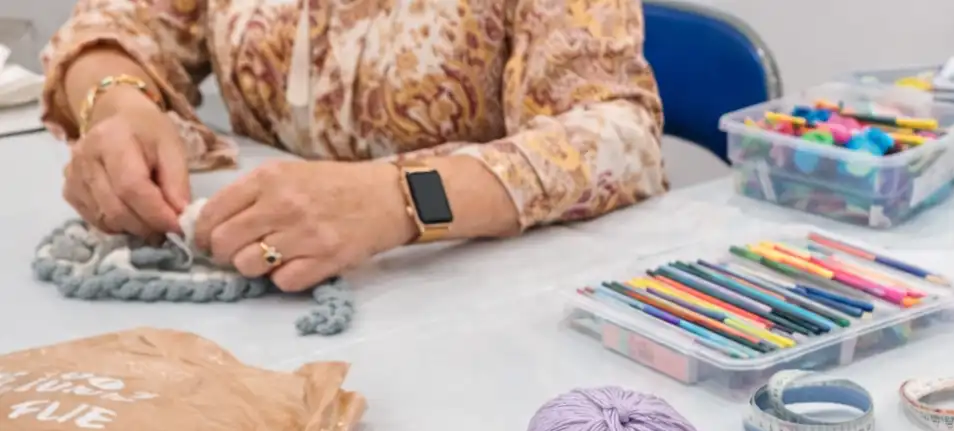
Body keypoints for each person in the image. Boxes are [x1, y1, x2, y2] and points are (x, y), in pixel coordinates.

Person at [39, 0, 666, 292]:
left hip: (461, 293)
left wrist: (400, 198)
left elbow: (621, 134)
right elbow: (116, 22)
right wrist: (114, 101)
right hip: (268, 299)